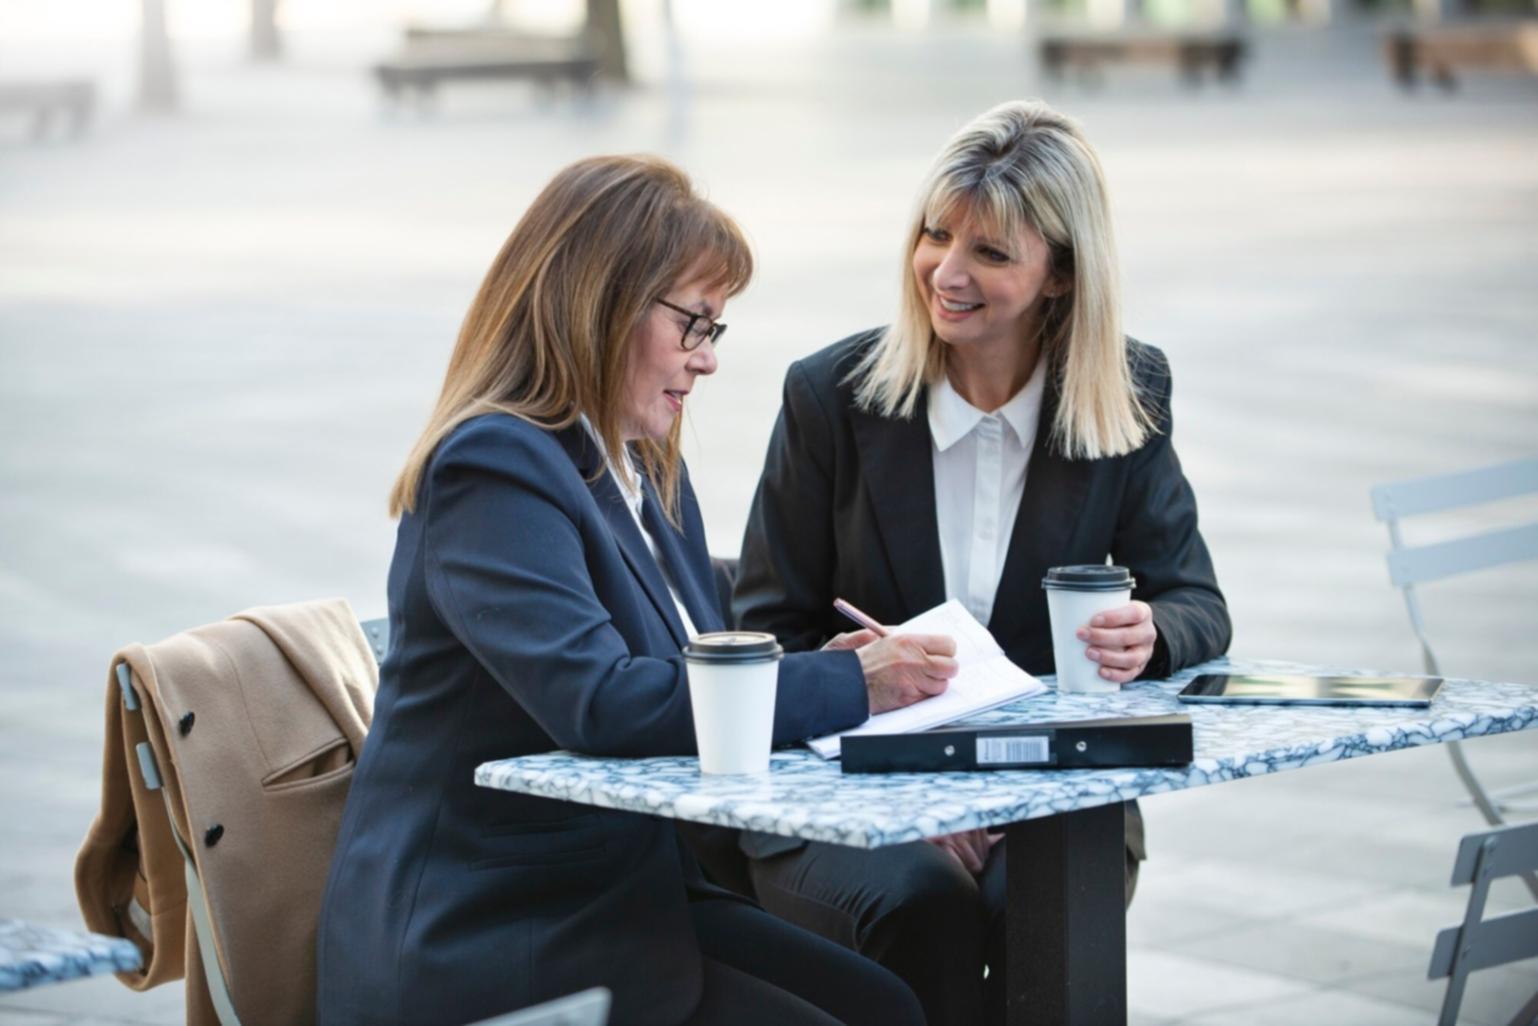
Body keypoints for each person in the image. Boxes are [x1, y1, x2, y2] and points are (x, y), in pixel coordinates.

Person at [315, 155, 953, 1026]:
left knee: (884, 1006)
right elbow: (600, 700)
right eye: (695, 323)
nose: (708, 360)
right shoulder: (493, 466)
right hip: (492, 932)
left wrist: (823, 667)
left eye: (715, 330)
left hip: (622, 896)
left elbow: (693, 663)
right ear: (603, 302)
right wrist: (846, 687)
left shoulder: (642, 468)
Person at [730, 100, 1233, 1025]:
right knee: (925, 908)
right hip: (845, 791)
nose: (946, 272)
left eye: (991, 253)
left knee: (1039, 901)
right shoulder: (829, 397)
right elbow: (771, 634)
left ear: (1062, 276)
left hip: (1049, 786)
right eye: (935, 234)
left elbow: (1196, 600)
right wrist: (919, 789)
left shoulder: (1130, 391)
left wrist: (1150, 633)